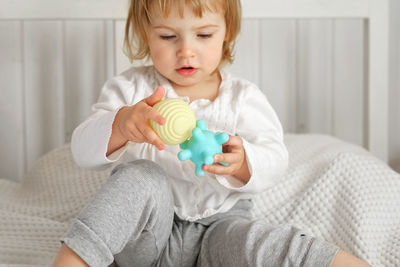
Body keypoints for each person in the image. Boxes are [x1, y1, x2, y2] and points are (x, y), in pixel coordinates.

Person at [52, 0, 372, 266]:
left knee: (262, 243)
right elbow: (81, 150)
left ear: (226, 33)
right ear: (144, 33)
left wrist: (244, 161)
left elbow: (276, 158)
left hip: (221, 229)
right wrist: (120, 125)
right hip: (146, 242)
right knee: (140, 175)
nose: (186, 51)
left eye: (203, 34)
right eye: (167, 36)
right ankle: (73, 260)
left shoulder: (243, 98)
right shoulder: (130, 90)